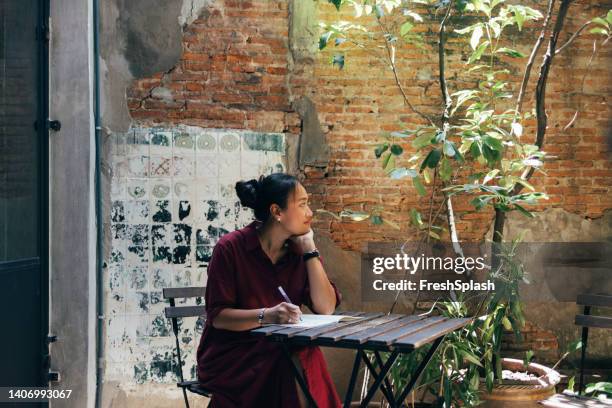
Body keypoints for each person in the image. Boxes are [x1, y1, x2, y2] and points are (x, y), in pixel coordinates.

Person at [196, 173, 343, 408]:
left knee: (305, 354)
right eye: (303, 204)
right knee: (289, 360)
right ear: (277, 212)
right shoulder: (231, 248)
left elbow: (325, 307)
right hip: (231, 355)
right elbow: (218, 316)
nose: (310, 212)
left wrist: (310, 249)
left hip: (278, 348)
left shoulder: (298, 253)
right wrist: (267, 315)